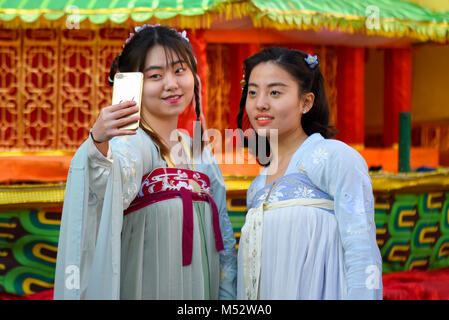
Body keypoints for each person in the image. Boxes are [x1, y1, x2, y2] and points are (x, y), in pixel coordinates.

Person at [54, 25, 237, 300]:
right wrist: (99, 142)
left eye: (179, 70)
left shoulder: (199, 152)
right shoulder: (133, 143)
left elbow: (222, 233)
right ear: (133, 84)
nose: (171, 84)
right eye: (155, 75)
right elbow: (108, 182)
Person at [236, 47, 382, 300]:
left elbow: (362, 250)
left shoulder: (335, 158)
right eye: (252, 92)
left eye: (275, 92)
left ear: (306, 102)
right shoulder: (258, 185)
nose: (260, 103)